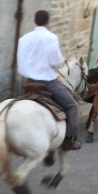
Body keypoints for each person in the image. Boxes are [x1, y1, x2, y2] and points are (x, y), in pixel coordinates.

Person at [17, 10, 81, 151]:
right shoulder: (51, 37)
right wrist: (61, 60)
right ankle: (70, 140)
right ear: (48, 22)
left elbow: (21, 62)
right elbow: (56, 61)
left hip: (28, 82)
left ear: (35, 21)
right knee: (73, 106)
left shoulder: (23, 39)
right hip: (48, 83)